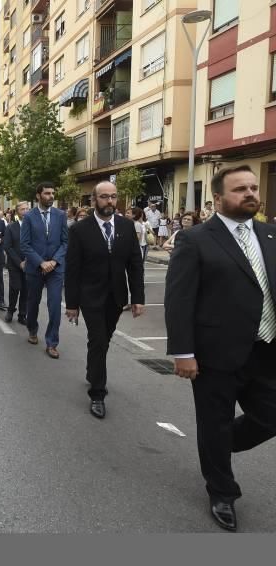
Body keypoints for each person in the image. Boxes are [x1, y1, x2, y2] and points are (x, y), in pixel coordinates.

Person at [165, 164, 276, 532]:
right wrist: (183, 352)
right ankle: (222, 492)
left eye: (253, 187)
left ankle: (216, 446)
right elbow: (179, 299)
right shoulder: (196, 239)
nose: (250, 194)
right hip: (215, 353)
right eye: (240, 189)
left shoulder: (271, 235)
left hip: (267, 349)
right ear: (218, 198)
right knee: (213, 419)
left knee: (267, 416)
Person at [65, 182, 145, 419]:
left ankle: (93, 370)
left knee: (104, 339)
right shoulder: (80, 230)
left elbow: (135, 264)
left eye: (113, 197)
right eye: (104, 197)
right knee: (98, 340)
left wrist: (138, 298)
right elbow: (73, 269)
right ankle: (97, 393)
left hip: (116, 296)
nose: (110, 201)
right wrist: (72, 304)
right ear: (94, 200)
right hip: (90, 295)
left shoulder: (126, 226)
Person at [21, 182, 68, 359]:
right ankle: (32, 329)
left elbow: (65, 242)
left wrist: (54, 261)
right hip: (35, 268)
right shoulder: (29, 217)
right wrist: (41, 262)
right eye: (47, 193)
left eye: (52, 193)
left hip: (55, 269)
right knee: (32, 303)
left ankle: (52, 342)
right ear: (38, 196)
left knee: (55, 305)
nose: (51, 196)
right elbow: (25, 245)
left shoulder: (60, 215)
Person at [2, 201, 28, 324]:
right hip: (15, 264)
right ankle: (10, 310)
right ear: (17, 212)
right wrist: (19, 263)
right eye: (23, 209)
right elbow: (8, 246)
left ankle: (23, 314)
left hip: (29, 264)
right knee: (15, 288)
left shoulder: (34, 227)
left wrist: (29, 261)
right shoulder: (11, 227)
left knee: (26, 290)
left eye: (27, 209)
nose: (26, 211)